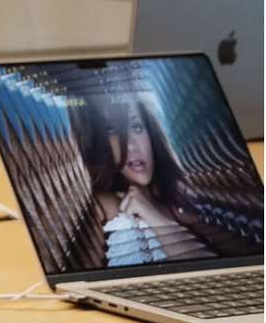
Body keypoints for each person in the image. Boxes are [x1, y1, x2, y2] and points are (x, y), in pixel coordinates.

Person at [76, 94, 252, 265]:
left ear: (151, 134)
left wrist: (154, 217)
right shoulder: (104, 205)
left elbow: (242, 259)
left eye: (137, 127)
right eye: (111, 130)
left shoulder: (184, 199)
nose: (131, 145)